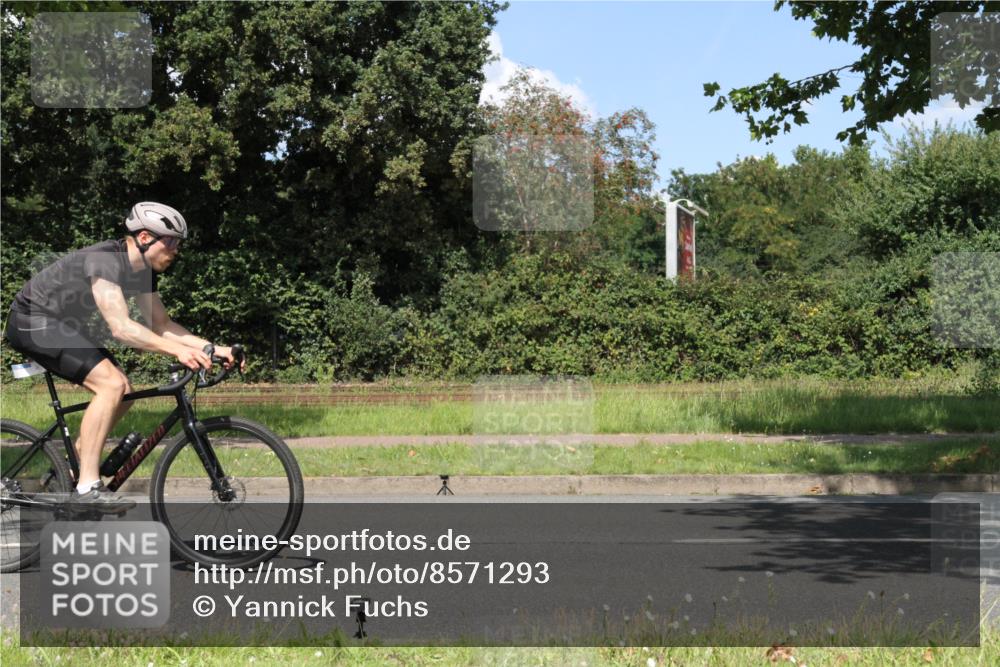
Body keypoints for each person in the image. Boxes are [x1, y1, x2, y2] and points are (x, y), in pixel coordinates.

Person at [4, 202, 246, 510]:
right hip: (32, 321)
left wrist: (213, 348)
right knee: (111, 384)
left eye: (179, 244)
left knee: (125, 390)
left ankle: (72, 468)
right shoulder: (106, 260)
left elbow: (161, 324)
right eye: (171, 242)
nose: (176, 251)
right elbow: (121, 327)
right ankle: (87, 487)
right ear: (144, 238)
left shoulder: (143, 272)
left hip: (63, 326)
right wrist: (179, 351)